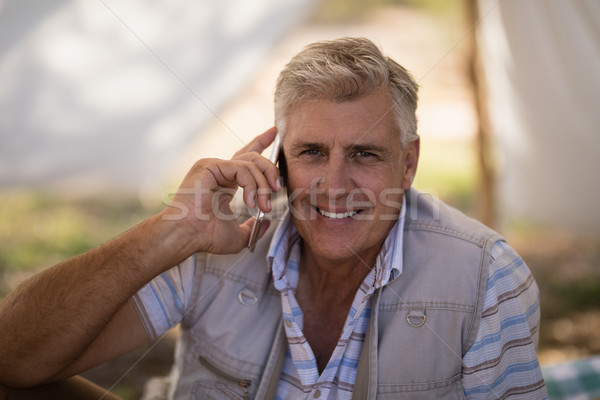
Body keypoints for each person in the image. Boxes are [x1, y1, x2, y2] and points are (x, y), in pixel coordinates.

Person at [0, 37, 547, 400]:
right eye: (311, 152)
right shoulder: (215, 241)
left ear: (408, 163)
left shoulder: (485, 274)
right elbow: (13, 358)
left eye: (364, 154)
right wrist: (171, 230)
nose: (333, 186)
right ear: (279, 161)